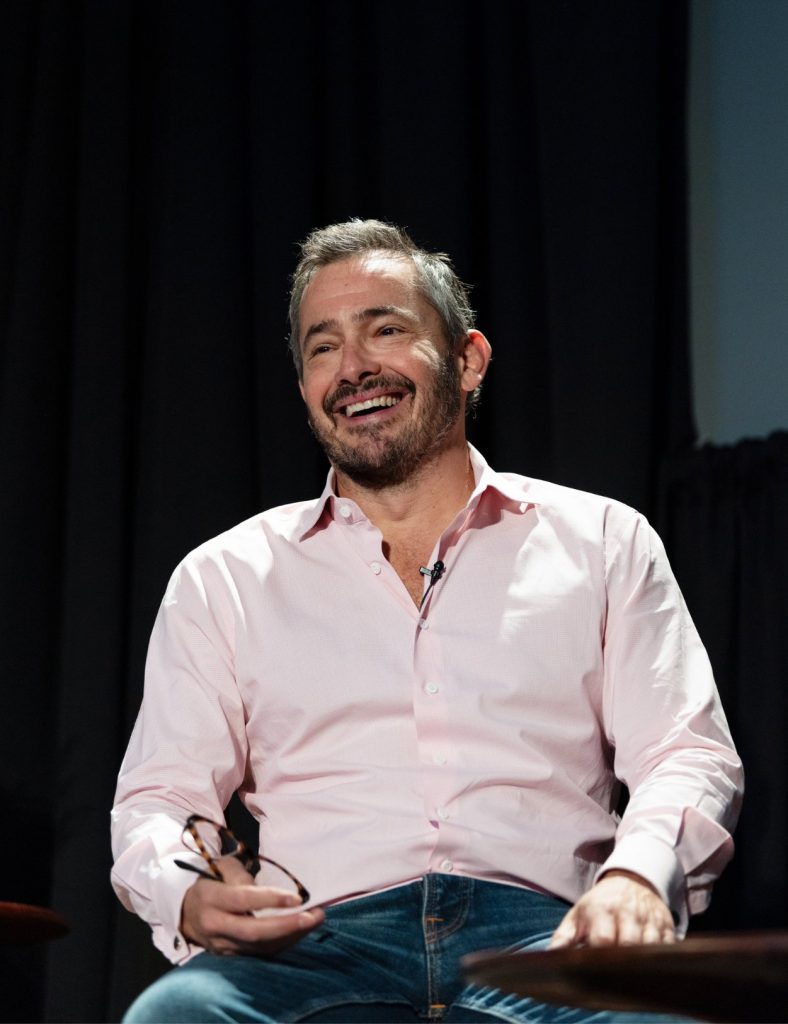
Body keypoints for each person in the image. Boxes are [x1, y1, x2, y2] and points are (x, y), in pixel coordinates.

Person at [111, 219, 743, 1023]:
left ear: (468, 359)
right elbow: (158, 800)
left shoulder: (602, 540)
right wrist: (186, 894)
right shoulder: (224, 577)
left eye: (385, 329)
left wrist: (636, 876)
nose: (353, 368)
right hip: (313, 943)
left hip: (546, 937)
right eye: (322, 347)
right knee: (178, 1015)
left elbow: (685, 752)